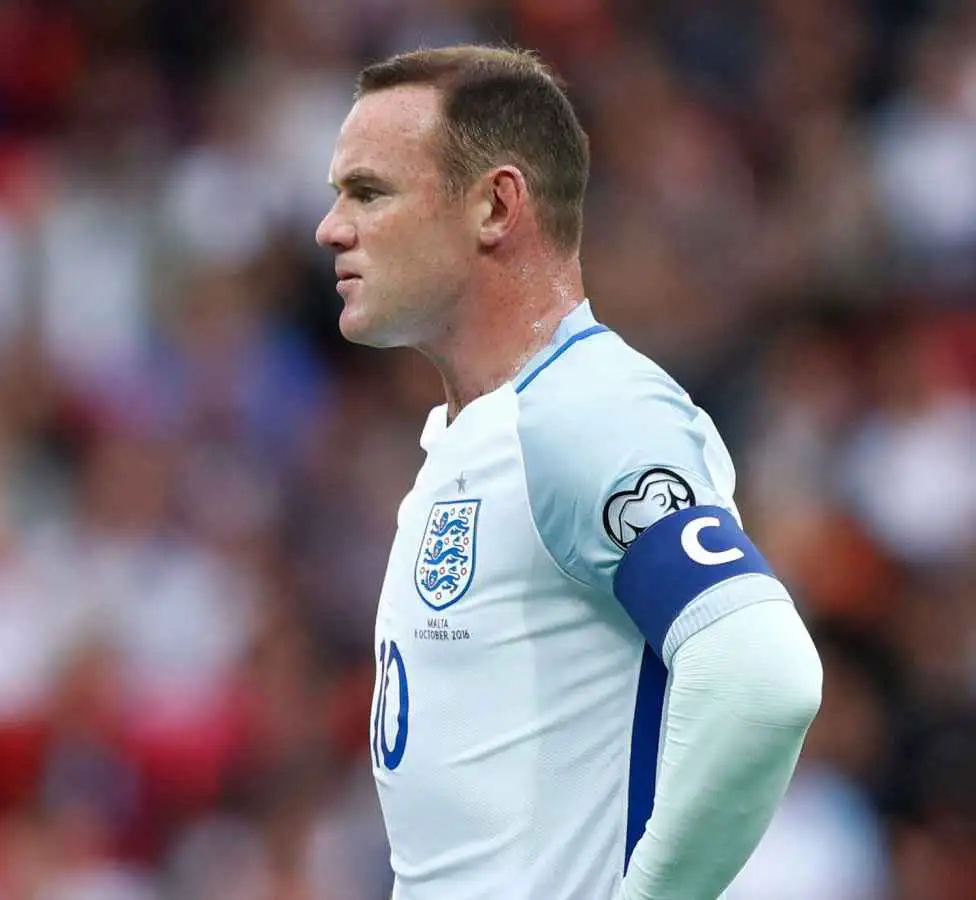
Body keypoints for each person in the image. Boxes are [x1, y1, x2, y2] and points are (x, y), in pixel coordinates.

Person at [315, 45, 823, 900]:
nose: (332, 226)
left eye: (369, 192)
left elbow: (762, 675)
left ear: (496, 206)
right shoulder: (479, 438)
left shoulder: (590, 411)